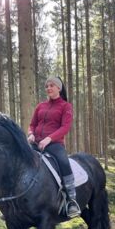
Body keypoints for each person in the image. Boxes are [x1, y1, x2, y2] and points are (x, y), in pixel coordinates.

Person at [28, 77, 80, 218]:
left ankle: (72, 200)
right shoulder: (40, 106)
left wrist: (49, 138)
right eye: (47, 86)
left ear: (59, 88)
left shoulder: (65, 106)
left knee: (64, 162)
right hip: (35, 143)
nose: (48, 88)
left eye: (51, 85)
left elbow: (65, 127)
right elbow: (32, 124)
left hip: (55, 144)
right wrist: (31, 133)